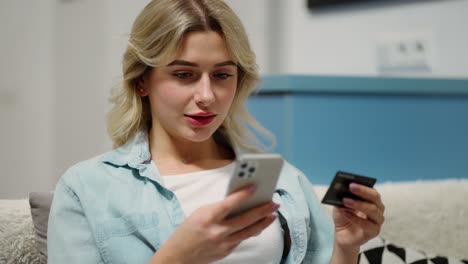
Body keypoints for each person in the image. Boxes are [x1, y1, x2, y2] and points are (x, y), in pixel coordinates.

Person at [47, 0, 385, 263]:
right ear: (142, 81)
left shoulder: (281, 179)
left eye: (222, 75)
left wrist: (346, 247)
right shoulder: (87, 187)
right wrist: (178, 257)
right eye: (184, 75)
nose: (207, 96)